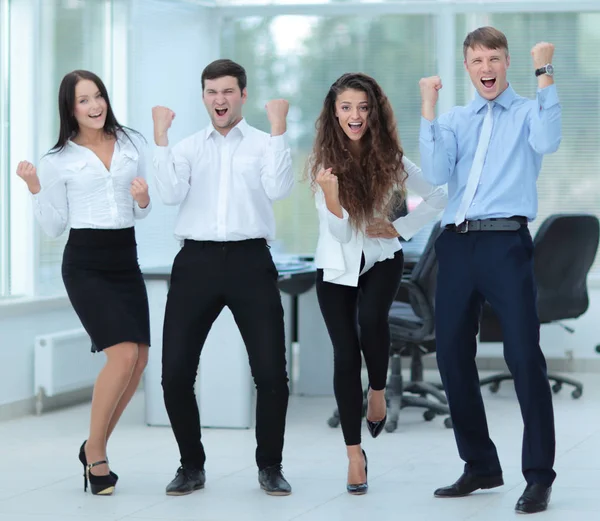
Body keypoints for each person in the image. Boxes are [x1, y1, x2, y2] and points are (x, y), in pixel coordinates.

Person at [418, 27, 560, 514]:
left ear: (507, 62)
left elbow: (550, 138)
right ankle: (480, 465)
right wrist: (429, 110)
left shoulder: (527, 112)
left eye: (494, 58)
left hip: (505, 243)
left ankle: (539, 476)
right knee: (453, 357)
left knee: (523, 357)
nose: (486, 68)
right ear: (467, 67)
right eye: (477, 60)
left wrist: (545, 74)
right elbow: (436, 173)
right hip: (455, 245)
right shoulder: (456, 119)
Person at [152, 59, 294, 497]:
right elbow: (170, 194)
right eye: (212, 92)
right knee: (174, 374)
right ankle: (191, 465)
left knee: (271, 373)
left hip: (251, 261)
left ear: (243, 95)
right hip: (195, 263)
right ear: (204, 97)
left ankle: (270, 465)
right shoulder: (189, 147)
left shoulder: (263, 142)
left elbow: (279, 188)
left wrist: (279, 128)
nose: (220, 99)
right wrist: (161, 139)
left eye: (228, 91)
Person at [16, 70, 152, 496]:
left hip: (125, 258)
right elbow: (55, 225)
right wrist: (36, 187)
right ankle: (97, 454)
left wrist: (144, 198)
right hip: (86, 263)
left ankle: (94, 446)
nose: (95, 106)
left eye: (98, 97)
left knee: (140, 359)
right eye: (83, 100)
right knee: (122, 353)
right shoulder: (58, 160)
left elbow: (140, 210)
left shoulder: (131, 144)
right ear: (69, 109)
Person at [309, 72, 447, 495]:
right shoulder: (323, 164)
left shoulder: (393, 159)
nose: (355, 115)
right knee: (345, 354)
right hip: (335, 267)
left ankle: (379, 390)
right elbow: (342, 236)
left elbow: (440, 195)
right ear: (334, 113)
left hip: (383, 260)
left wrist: (401, 227)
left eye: (362, 108)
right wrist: (332, 199)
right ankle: (355, 455)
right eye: (346, 107)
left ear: (373, 112)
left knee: (372, 321)